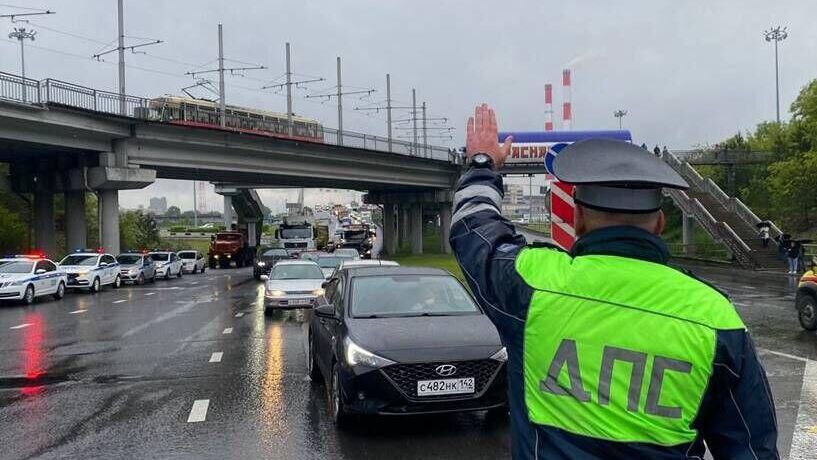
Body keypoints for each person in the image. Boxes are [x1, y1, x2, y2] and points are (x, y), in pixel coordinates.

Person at [451, 104, 778, 459]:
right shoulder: (714, 316)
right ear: (659, 225)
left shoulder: (533, 284)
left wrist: (482, 163)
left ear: (578, 220)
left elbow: (474, 230)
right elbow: (753, 448)